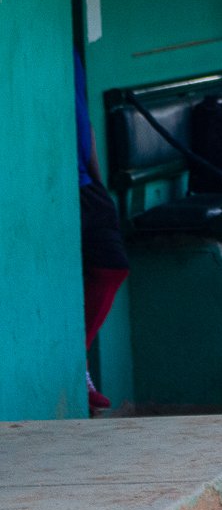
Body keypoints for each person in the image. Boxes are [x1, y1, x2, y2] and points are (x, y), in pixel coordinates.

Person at [74, 50, 129, 414]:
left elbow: (84, 120)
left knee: (113, 266)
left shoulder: (70, 54)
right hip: (54, 183)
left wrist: (97, 178)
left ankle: (78, 359)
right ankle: (80, 368)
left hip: (85, 182)